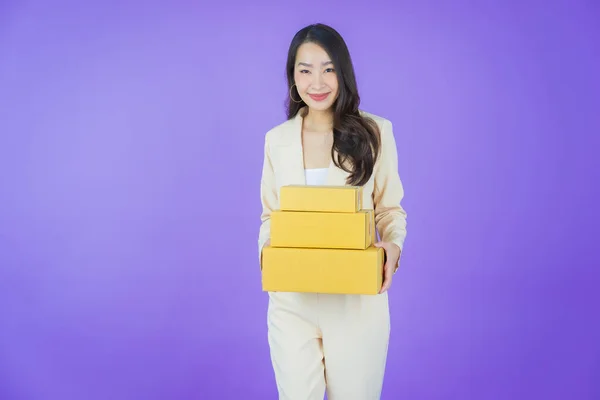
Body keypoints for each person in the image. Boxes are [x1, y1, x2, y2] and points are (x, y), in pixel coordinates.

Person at [257, 23, 407, 400]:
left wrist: (392, 247)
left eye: (328, 69)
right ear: (293, 78)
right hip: (292, 301)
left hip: (355, 302)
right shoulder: (277, 141)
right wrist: (267, 256)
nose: (317, 81)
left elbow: (389, 209)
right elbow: (269, 215)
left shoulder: (375, 133)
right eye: (304, 70)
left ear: (343, 72)